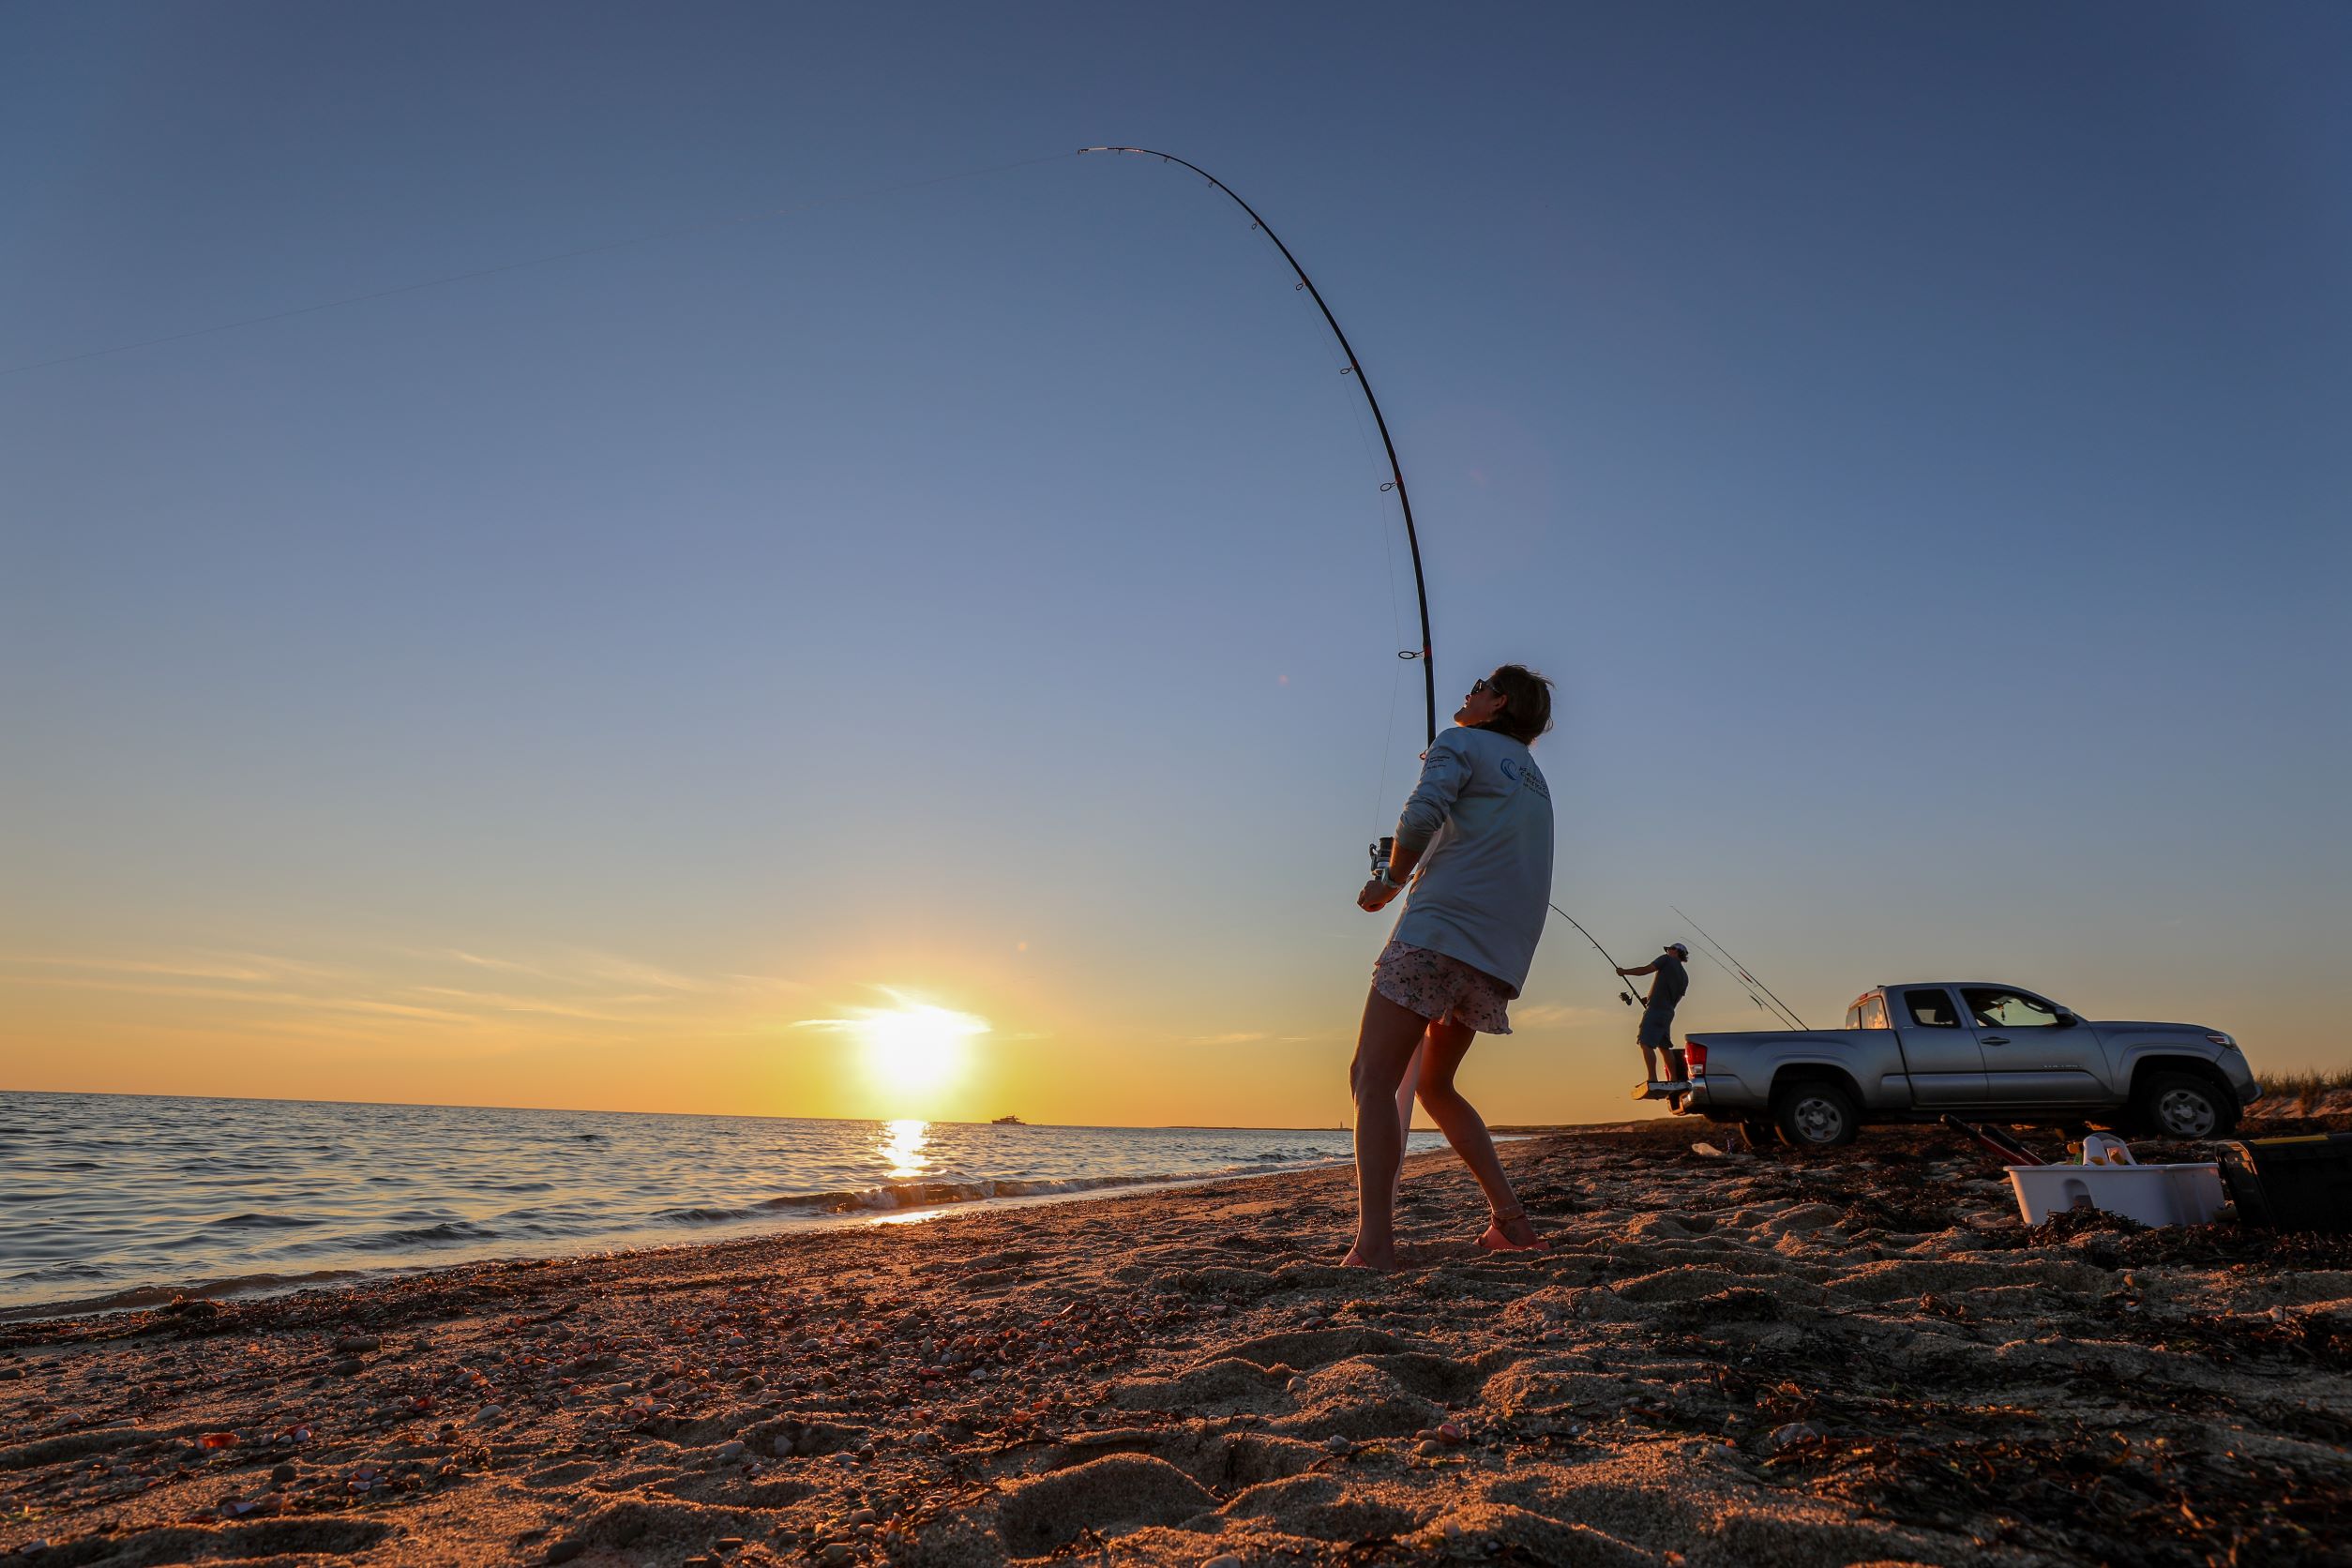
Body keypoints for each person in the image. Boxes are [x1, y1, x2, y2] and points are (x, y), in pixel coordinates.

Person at [1346, 665, 1556, 1270]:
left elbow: (1421, 815)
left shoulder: (1458, 741)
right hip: (1498, 957)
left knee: (1371, 1079)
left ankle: (1376, 1245)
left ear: (1499, 703)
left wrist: (1389, 880)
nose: (1468, 692)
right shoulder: (1534, 778)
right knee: (1435, 1086)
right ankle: (1511, 1223)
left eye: (1481, 687)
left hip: (1437, 936)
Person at [1617, 942, 1692, 1096]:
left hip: (1656, 1010)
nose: (1667, 951)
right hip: (1668, 1011)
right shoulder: (1685, 977)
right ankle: (1674, 1078)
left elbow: (1646, 970)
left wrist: (1624, 972)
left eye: (1670, 949)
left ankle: (1652, 1078)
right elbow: (1674, 998)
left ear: (1676, 951)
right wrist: (1650, 999)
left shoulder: (1666, 960)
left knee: (1645, 1043)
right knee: (1664, 1046)